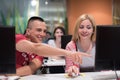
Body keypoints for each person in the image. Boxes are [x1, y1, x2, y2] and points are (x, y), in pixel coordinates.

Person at [15, 16, 90, 76]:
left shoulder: (41, 53)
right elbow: (36, 48)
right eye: (38, 30)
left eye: (44, 31)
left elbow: (31, 69)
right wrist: (68, 53)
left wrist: (10, 74)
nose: (42, 34)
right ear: (28, 31)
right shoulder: (18, 38)